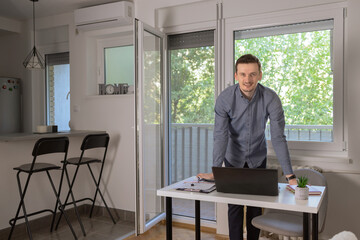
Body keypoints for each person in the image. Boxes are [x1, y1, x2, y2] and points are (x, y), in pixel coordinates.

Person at [197, 54, 297, 240]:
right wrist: (217, 169)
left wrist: (290, 175)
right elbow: (220, 135)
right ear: (236, 75)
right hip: (233, 158)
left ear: (260, 75)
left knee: (254, 207)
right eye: (243, 74)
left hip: (257, 157)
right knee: (234, 207)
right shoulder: (225, 99)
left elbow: (278, 137)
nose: (247, 79)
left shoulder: (271, 98)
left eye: (252, 74)